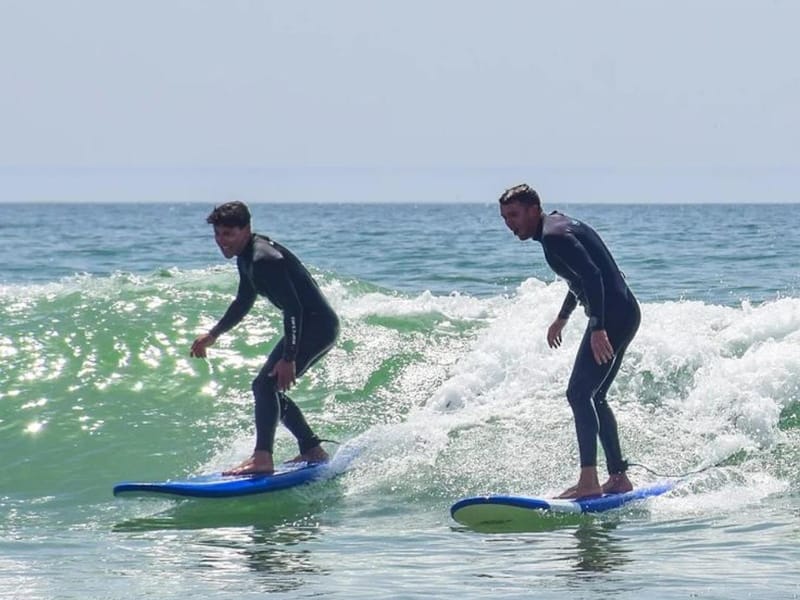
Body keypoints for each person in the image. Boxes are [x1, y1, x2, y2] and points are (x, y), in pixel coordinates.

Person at [498, 184, 640, 499]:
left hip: (613, 317)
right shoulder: (558, 225)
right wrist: (563, 317)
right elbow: (579, 279)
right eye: (505, 217)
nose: (510, 223)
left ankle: (589, 482)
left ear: (534, 209)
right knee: (595, 395)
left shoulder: (554, 237)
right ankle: (618, 477)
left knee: (578, 394)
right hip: (625, 312)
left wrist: (599, 327)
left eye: (514, 215)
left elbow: (592, 276)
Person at [190, 201, 339, 475]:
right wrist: (213, 334)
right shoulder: (247, 257)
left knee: (265, 386)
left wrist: (289, 357)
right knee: (266, 388)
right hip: (309, 325)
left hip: (316, 327)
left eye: (228, 234)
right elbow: (244, 300)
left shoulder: (264, 260)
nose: (222, 242)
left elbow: (294, 308)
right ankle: (311, 450)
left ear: (246, 229)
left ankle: (262, 459)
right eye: (218, 235)